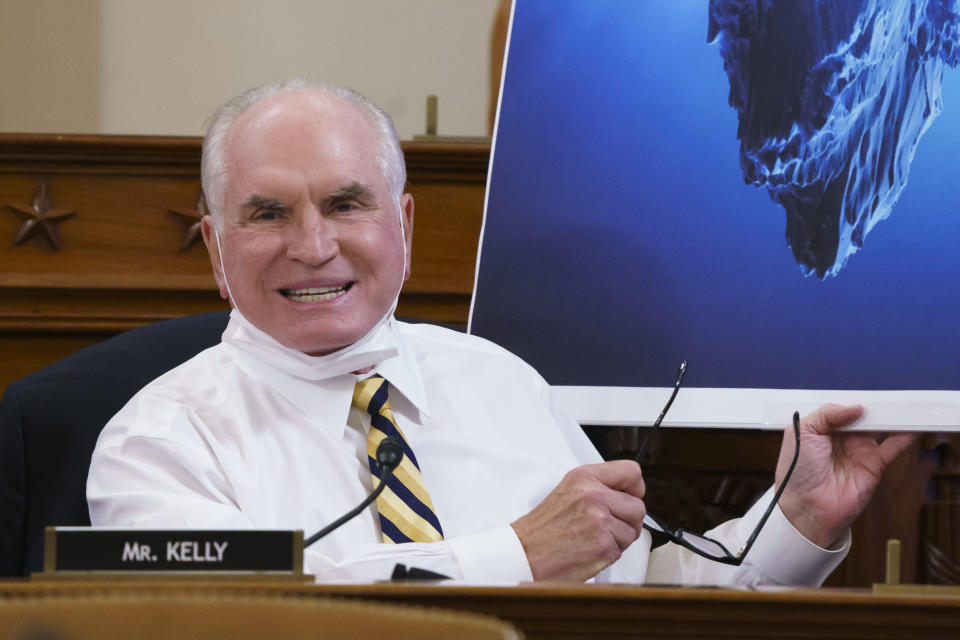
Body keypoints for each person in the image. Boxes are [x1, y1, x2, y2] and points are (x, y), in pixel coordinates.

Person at [87, 79, 914, 584]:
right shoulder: (156, 443)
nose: (314, 245)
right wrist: (515, 557)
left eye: (347, 204)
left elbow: (641, 596)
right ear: (215, 251)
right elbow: (252, 615)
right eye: (268, 213)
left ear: (403, 227)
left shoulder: (503, 384)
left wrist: (798, 519)